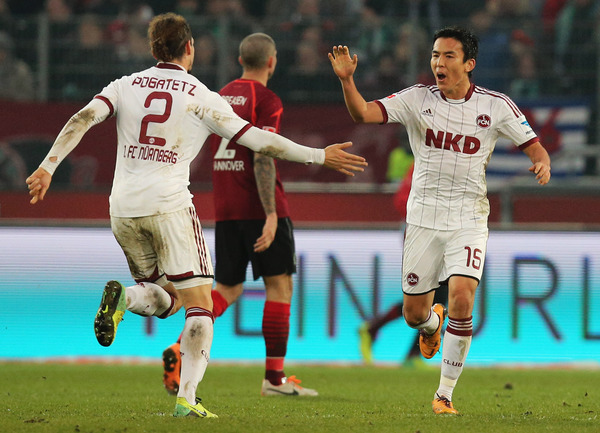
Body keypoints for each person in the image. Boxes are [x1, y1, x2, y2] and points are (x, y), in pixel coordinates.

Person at [26, 12, 366, 419]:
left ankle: (125, 299)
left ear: (154, 48)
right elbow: (260, 141)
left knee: (167, 298)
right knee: (200, 304)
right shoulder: (200, 95)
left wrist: (47, 167)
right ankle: (187, 398)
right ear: (190, 48)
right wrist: (318, 156)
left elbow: (82, 118)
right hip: (169, 207)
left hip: (122, 208)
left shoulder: (125, 84)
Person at [329, 26, 551, 415]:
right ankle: (433, 325)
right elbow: (362, 112)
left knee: (463, 296)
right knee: (414, 315)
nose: (438, 63)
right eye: (435, 55)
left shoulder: (496, 105)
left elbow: (535, 146)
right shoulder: (417, 99)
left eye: (448, 55)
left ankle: (444, 394)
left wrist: (541, 161)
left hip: (469, 217)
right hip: (423, 220)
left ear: (469, 63)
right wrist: (348, 80)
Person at [162, 32, 317, 398]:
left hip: (226, 207)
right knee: (280, 286)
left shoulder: (217, 95)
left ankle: (180, 347)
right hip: (257, 205)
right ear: (272, 62)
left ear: (239, 60)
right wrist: (271, 214)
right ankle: (274, 380)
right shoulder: (266, 99)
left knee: (227, 289)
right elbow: (263, 155)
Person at [359, 162, 449, 367]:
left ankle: (377, 331)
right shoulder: (425, 161)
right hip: (422, 237)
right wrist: (426, 221)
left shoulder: (454, 162)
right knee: (431, 297)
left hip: (447, 236)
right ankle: (412, 354)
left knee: (436, 298)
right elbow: (402, 200)